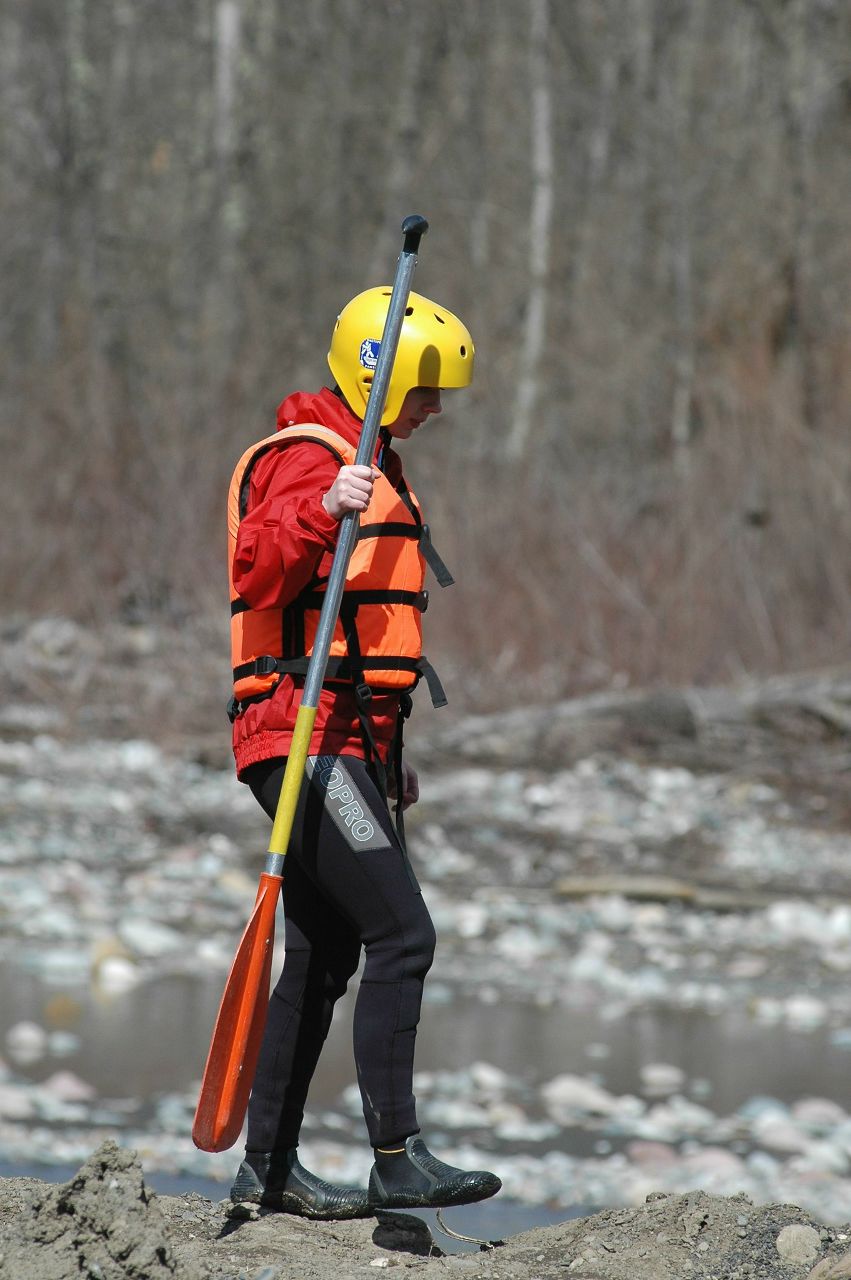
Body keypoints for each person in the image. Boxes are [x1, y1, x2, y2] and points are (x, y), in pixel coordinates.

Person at [226, 287, 501, 1219]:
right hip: (297, 737)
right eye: (422, 387)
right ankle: (396, 1156)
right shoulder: (310, 460)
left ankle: (267, 1169)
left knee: (324, 951)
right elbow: (257, 566)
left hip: (347, 742)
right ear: (371, 374)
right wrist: (321, 509)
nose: (433, 407)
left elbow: (360, 638)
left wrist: (386, 755)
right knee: (402, 933)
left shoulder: (370, 461)